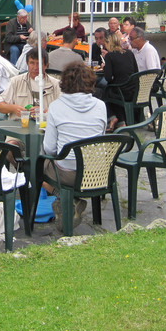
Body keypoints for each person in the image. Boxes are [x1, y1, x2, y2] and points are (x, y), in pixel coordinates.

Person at [43, 61, 107, 228]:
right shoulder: (101, 106)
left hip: (68, 174)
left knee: (35, 165)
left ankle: (64, 198)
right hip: (96, 172)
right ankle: (71, 200)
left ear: (64, 82)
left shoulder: (56, 107)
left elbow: (49, 148)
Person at [0, 49, 61, 120]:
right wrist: (14, 108)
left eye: (39, 64)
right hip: (20, 127)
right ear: (27, 63)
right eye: (32, 63)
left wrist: (45, 111)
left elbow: (63, 110)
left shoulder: (56, 84)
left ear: (46, 65)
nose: (35, 67)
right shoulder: (16, 81)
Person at [103, 31, 138, 130]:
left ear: (108, 43)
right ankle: (121, 122)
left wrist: (105, 67)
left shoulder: (110, 56)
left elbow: (108, 78)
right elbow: (136, 71)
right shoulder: (129, 53)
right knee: (113, 89)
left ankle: (112, 117)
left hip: (121, 91)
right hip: (133, 89)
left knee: (105, 91)